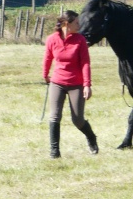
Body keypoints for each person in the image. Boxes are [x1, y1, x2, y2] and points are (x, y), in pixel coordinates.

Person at [42, 10, 98, 158]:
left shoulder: (80, 40)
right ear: (67, 24)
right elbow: (47, 58)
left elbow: (85, 63)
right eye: (77, 23)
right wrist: (45, 74)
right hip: (57, 82)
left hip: (76, 83)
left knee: (78, 119)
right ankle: (54, 151)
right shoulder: (52, 39)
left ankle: (91, 137)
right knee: (54, 116)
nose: (80, 25)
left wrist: (87, 85)